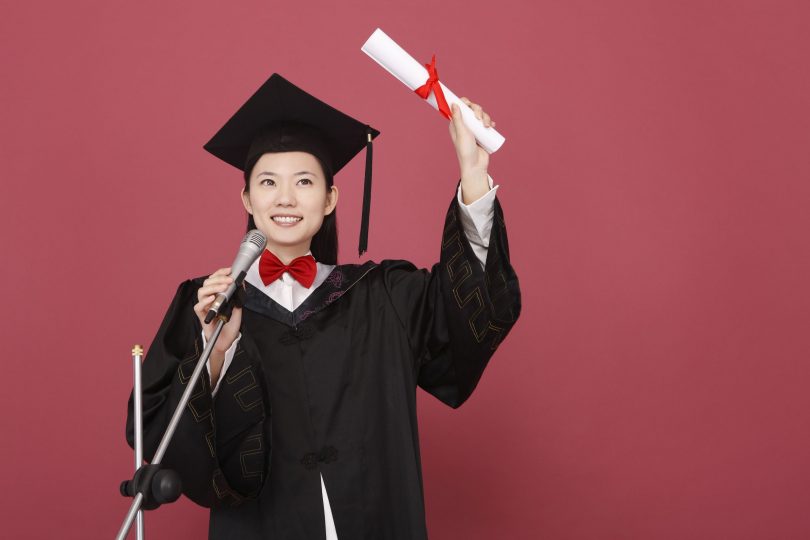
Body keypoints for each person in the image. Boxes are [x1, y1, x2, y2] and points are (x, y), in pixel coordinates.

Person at [126, 73, 521, 540]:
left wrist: (473, 171)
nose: (286, 198)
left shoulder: (384, 295)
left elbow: (473, 310)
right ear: (247, 199)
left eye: (305, 182)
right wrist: (215, 352)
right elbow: (162, 437)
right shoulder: (206, 304)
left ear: (329, 198)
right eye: (268, 182)